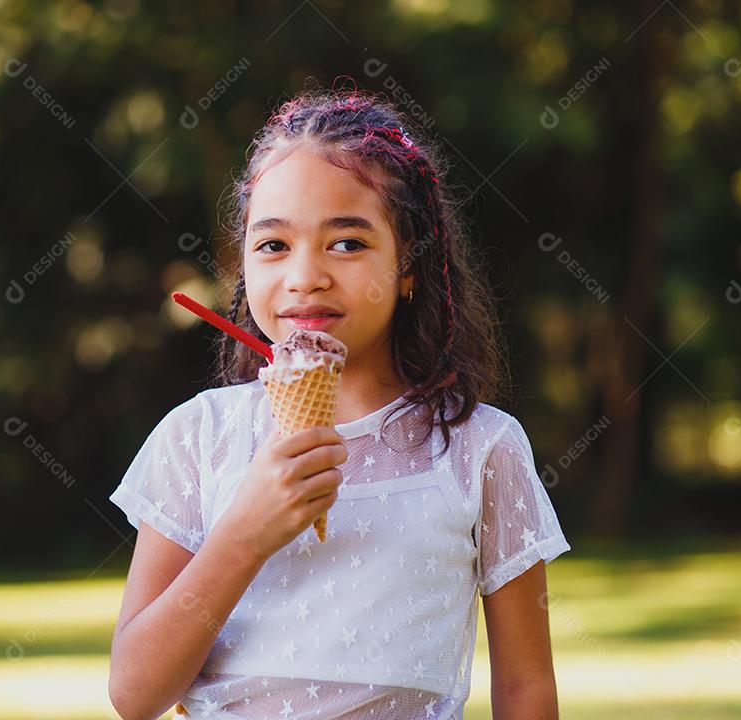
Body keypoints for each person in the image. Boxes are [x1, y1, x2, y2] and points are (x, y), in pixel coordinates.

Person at [107, 86, 571, 720]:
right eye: (273, 245)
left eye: (347, 243)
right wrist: (243, 534)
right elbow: (134, 695)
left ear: (409, 263)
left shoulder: (480, 448)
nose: (305, 276)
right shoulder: (198, 437)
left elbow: (526, 689)